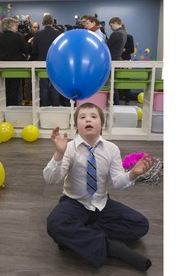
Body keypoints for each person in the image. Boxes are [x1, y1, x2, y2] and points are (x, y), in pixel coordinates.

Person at [43, 102, 154, 271]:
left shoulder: (112, 149)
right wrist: (59, 153)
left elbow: (118, 182)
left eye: (93, 116)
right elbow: (51, 179)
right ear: (76, 125)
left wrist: (133, 174)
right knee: (54, 223)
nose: (88, 119)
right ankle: (111, 247)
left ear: (102, 124)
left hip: (101, 203)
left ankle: (78, 236)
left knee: (141, 224)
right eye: (83, 117)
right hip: (74, 202)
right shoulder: (69, 148)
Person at [0, 17, 31, 106]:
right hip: (16, 68)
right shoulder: (18, 36)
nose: (17, 27)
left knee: (5, 88)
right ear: (10, 25)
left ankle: (5, 107)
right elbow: (25, 50)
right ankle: (13, 108)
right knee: (15, 89)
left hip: (3, 68)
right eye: (15, 25)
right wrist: (29, 42)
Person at [31, 14, 62, 106]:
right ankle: (56, 106)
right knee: (55, 87)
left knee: (43, 87)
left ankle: (44, 106)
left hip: (42, 64)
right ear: (53, 22)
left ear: (43, 23)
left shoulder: (37, 34)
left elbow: (34, 51)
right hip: (55, 64)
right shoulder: (59, 34)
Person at [107, 17, 127, 105]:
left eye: (111, 26)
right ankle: (115, 103)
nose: (111, 28)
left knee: (111, 85)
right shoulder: (124, 32)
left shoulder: (116, 34)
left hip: (112, 60)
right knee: (113, 85)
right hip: (117, 59)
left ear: (115, 23)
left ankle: (115, 103)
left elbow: (107, 46)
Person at [23, 21, 40, 106]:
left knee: (38, 81)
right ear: (31, 28)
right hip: (28, 62)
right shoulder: (26, 37)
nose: (36, 29)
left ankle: (37, 99)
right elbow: (25, 50)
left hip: (38, 61)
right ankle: (27, 99)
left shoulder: (40, 36)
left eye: (37, 27)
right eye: (34, 27)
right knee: (27, 82)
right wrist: (29, 43)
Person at [121, 30, 137, 104]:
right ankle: (122, 97)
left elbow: (131, 50)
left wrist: (122, 49)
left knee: (126, 80)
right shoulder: (117, 37)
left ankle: (127, 99)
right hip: (118, 60)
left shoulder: (129, 37)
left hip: (126, 60)